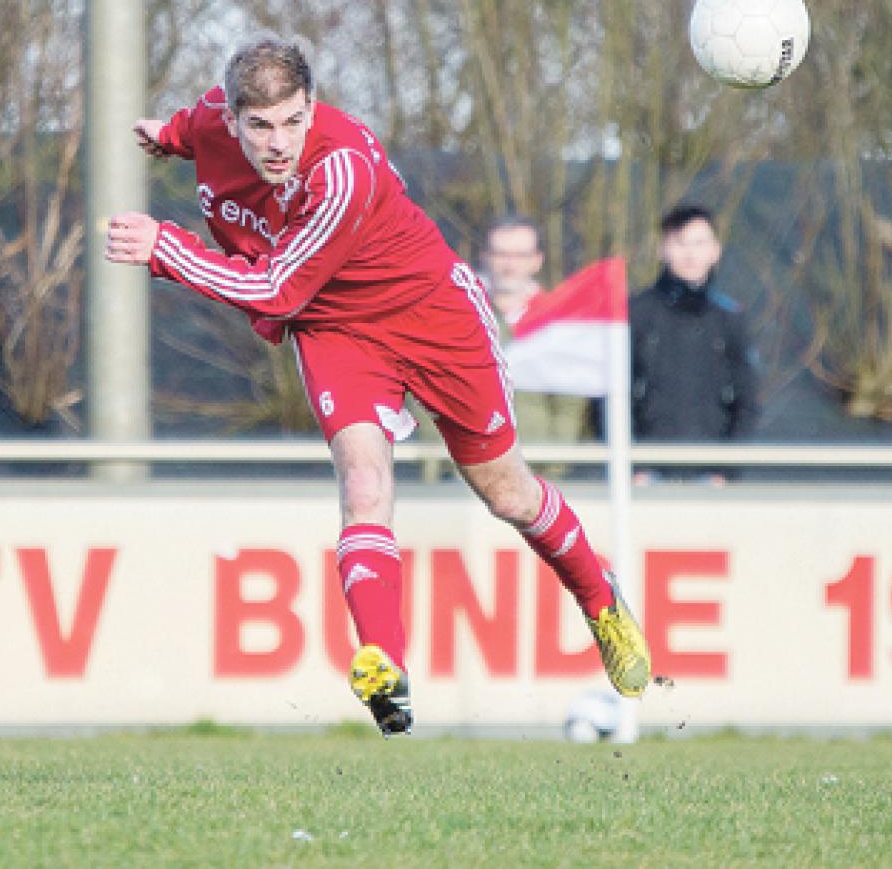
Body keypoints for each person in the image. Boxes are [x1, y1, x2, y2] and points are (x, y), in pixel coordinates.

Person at [104, 36, 650, 735]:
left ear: (312, 106)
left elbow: (274, 290)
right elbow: (195, 128)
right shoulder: (212, 118)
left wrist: (167, 248)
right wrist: (170, 136)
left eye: (293, 121)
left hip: (432, 317)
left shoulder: (342, 171)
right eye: (260, 126)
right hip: (336, 330)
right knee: (363, 486)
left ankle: (600, 599)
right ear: (233, 118)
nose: (279, 143)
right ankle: (385, 665)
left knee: (507, 493)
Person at [629, 203, 759, 484]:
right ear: (662, 249)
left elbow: (747, 400)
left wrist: (726, 472)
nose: (690, 254)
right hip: (646, 473)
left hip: (709, 474)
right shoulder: (636, 313)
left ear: (715, 251)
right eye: (680, 243)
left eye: (699, 243)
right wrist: (631, 467)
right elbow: (611, 396)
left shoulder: (729, 317)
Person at [478, 216, 589, 450]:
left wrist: (558, 459)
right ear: (485, 256)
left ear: (537, 260)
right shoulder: (458, 316)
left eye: (520, 255)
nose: (509, 265)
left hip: (536, 458)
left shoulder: (557, 324)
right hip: (465, 458)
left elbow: (569, 403)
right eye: (501, 254)